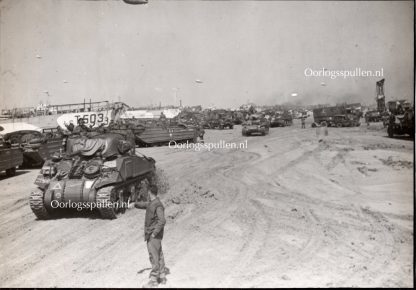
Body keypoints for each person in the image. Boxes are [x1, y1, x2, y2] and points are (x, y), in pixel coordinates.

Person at [132, 185, 167, 288]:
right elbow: (145, 205)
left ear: (149, 193)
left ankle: (153, 280)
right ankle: (162, 276)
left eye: (147, 193)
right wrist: (135, 204)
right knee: (159, 254)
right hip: (154, 235)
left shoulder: (158, 205)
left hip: (153, 235)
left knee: (154, 256)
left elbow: (162, 221)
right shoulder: (153, 203)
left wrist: (154, 233)